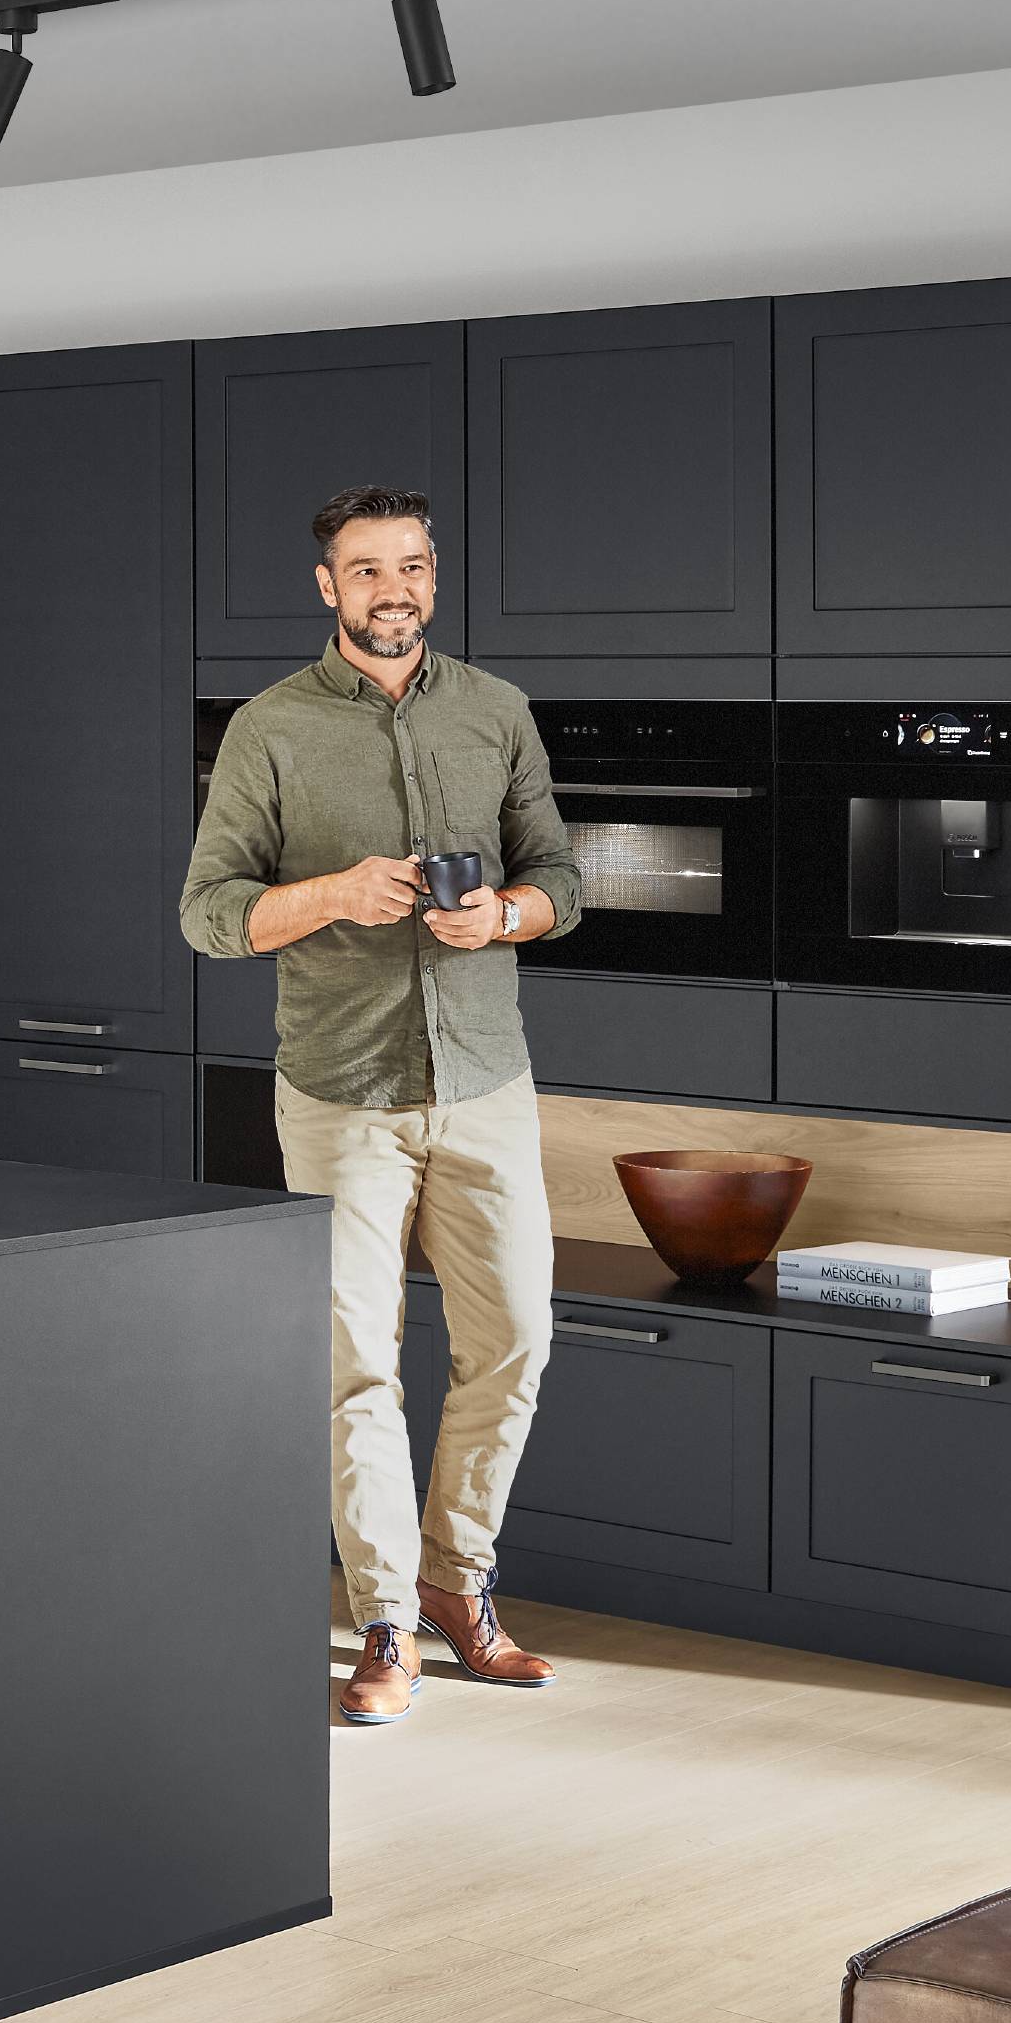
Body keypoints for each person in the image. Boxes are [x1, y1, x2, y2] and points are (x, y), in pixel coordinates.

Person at [178, 485, 579, 1727]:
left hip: (483, 1079)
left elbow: (558, 877)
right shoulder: (270, 728)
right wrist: (333, 895)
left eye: (408, 566)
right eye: (364, 570)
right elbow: (208, 914)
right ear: (326, 587)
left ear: (432, 576)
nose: (389, 590)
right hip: (339, 1089)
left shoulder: (495, 711)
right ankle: (386, 1624)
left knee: (514, 1341)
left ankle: (459, 1582)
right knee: (355, 1367)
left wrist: (503, 914)